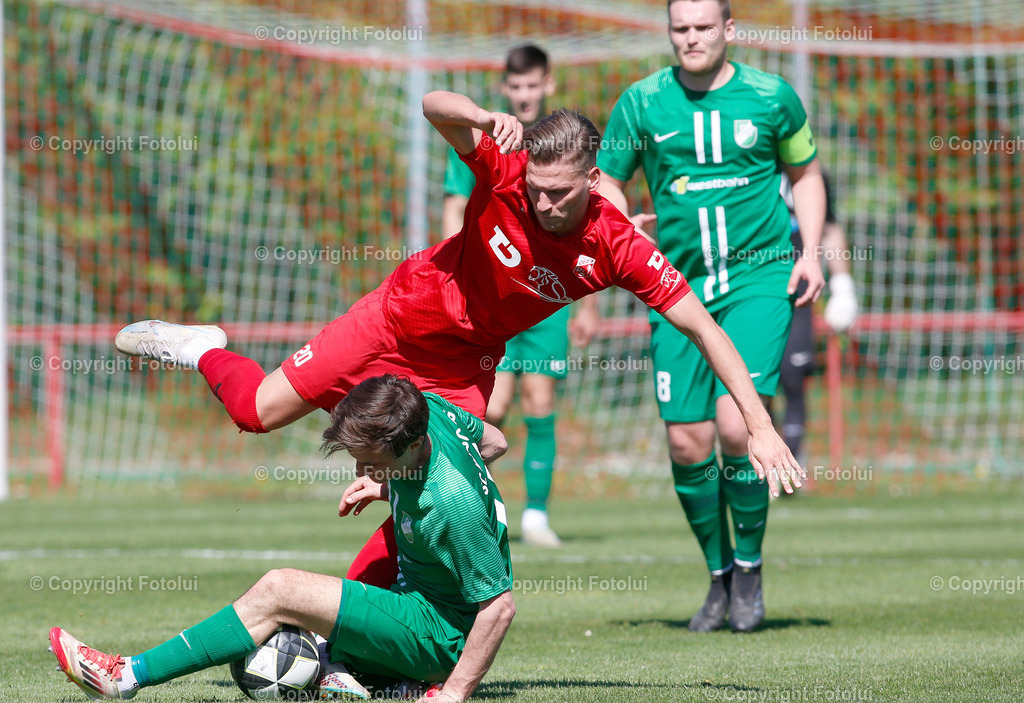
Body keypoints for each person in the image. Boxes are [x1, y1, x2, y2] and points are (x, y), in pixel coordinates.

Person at [116, 91, 803, 592]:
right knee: (253, 414)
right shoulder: (504, 168)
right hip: (394, 317)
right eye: (536, 190)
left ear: (594, 182)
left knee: (434, 490)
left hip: (462, 364)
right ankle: (201, 346)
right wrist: (476, 117)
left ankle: (351, 634)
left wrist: (761, 427)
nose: (543, 204)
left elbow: (705, 327)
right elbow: (431, 103)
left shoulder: (618, 245)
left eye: (561, 194)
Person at [50, 375, 515, 703]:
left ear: (413, 446)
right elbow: (494, 442)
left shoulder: (454, 503)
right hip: (413, 597)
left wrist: (454, 693)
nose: (359, 471)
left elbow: (499, 608)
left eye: (370, 461)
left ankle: (124, 677)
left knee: (280, 589)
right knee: (306, 605)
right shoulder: (425, 409)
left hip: (439, 634)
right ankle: (356, 672)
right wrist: (390, 485)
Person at [597, 0, 826, 632]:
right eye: (681, 28)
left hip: (758, 280)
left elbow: (805, 174)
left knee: (735, 426)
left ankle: (749, 570)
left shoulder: (772, 96)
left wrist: (811, 251)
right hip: (674, 288)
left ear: (729, 30)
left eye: (704, 27)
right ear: (669, 33)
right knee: (686, 440)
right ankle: (718, 576)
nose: (691, 38)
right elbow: (607, 179)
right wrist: (618, 219)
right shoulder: (641, 103)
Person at [442, 44, 598, 548]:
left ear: (548, 85)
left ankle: (535, 514)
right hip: (493, 295)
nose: (525, 95)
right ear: (505, 88)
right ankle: (473, 506)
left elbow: (595, 234)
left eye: (533, 86)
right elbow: (454, 209)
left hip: (548, 298)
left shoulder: (563, 142)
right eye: (516, 87)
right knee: (493, 404)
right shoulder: (491, 136)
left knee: (540, 398)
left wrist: (588, 306)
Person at [777, 172, 858, 464]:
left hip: (799, 293)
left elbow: (830, 228)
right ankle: (761, 462)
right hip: (753, 287)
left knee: (793, 376)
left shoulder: (812, 175)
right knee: (753, 379)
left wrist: (843, 286)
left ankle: (791, 465)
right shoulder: (744, 167)